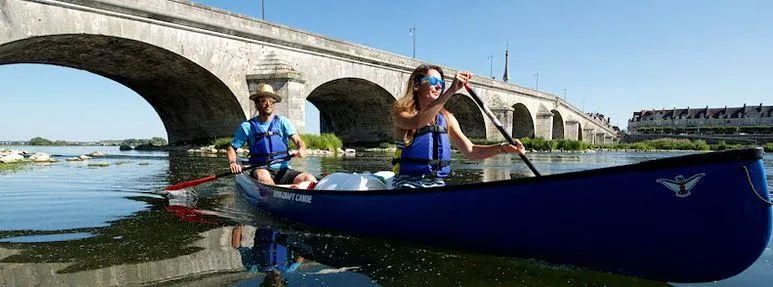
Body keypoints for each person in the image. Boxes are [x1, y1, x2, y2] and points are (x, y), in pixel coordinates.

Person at [391, 64, 526, 189]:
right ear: (416, 84)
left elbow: (471, 150)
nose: (438, 87)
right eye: (433, 81)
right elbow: (417, 122)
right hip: (407, 184)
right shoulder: (401, 112)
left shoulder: (447, 118)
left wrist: (502, 148)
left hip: (437, 185)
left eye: (441, 83)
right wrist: (451, 91)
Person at [227, 83, 317, 185]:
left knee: (309, 178)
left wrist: (302, 148)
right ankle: (274, 196)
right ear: (256, 103)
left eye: (271, 101)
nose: (268, 104)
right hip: (260, 169)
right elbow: (231, 148)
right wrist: (233, 163)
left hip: (283, 170)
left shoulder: (283, 122)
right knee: (264, 176)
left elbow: (298, 141)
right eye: (264, 101)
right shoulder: (247, 126)